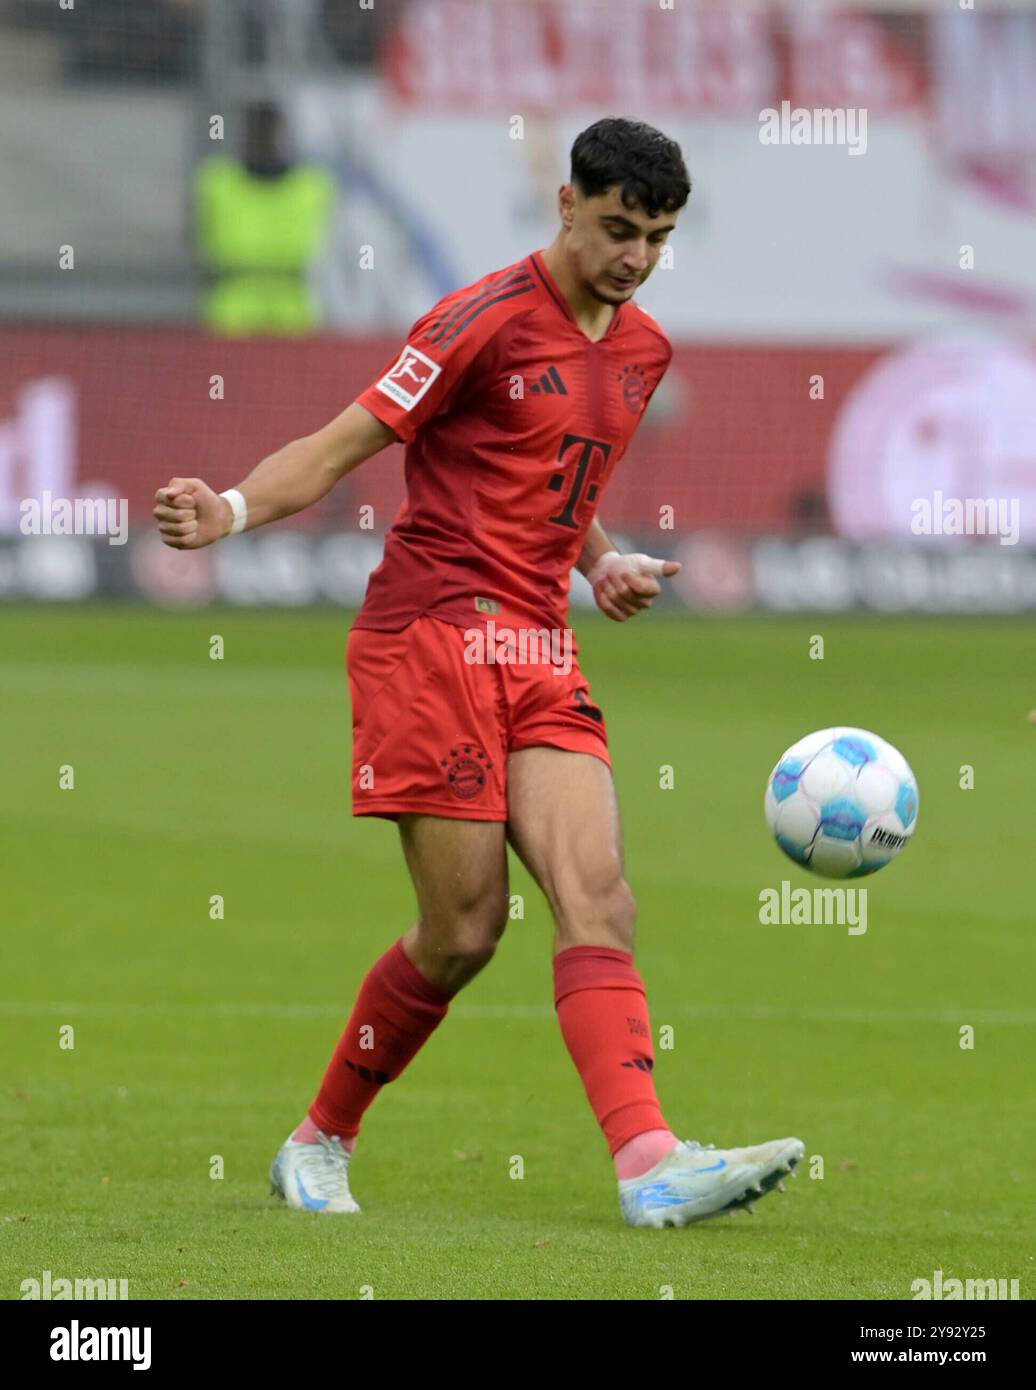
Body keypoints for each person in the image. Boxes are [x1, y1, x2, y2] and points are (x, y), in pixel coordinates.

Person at [154, 117, 803, 1228]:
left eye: (655, 236)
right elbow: (340, 442)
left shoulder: (644, 349)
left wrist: (601, 564)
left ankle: (649, 1161)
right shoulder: (478, 322)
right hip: (431, 634)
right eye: (615, 228)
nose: (634, 256)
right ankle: (318, 1141)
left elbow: (557, 476)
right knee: (463, 931)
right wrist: (234, 507)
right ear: (563, 203)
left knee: (599, 897)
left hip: (541, 644)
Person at [195, 101, 335, 336]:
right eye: (258, 131)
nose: (265, 139)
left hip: (292, 305)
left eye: (270, 131)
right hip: (232, 304)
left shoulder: (313, 185)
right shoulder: (216, 181)